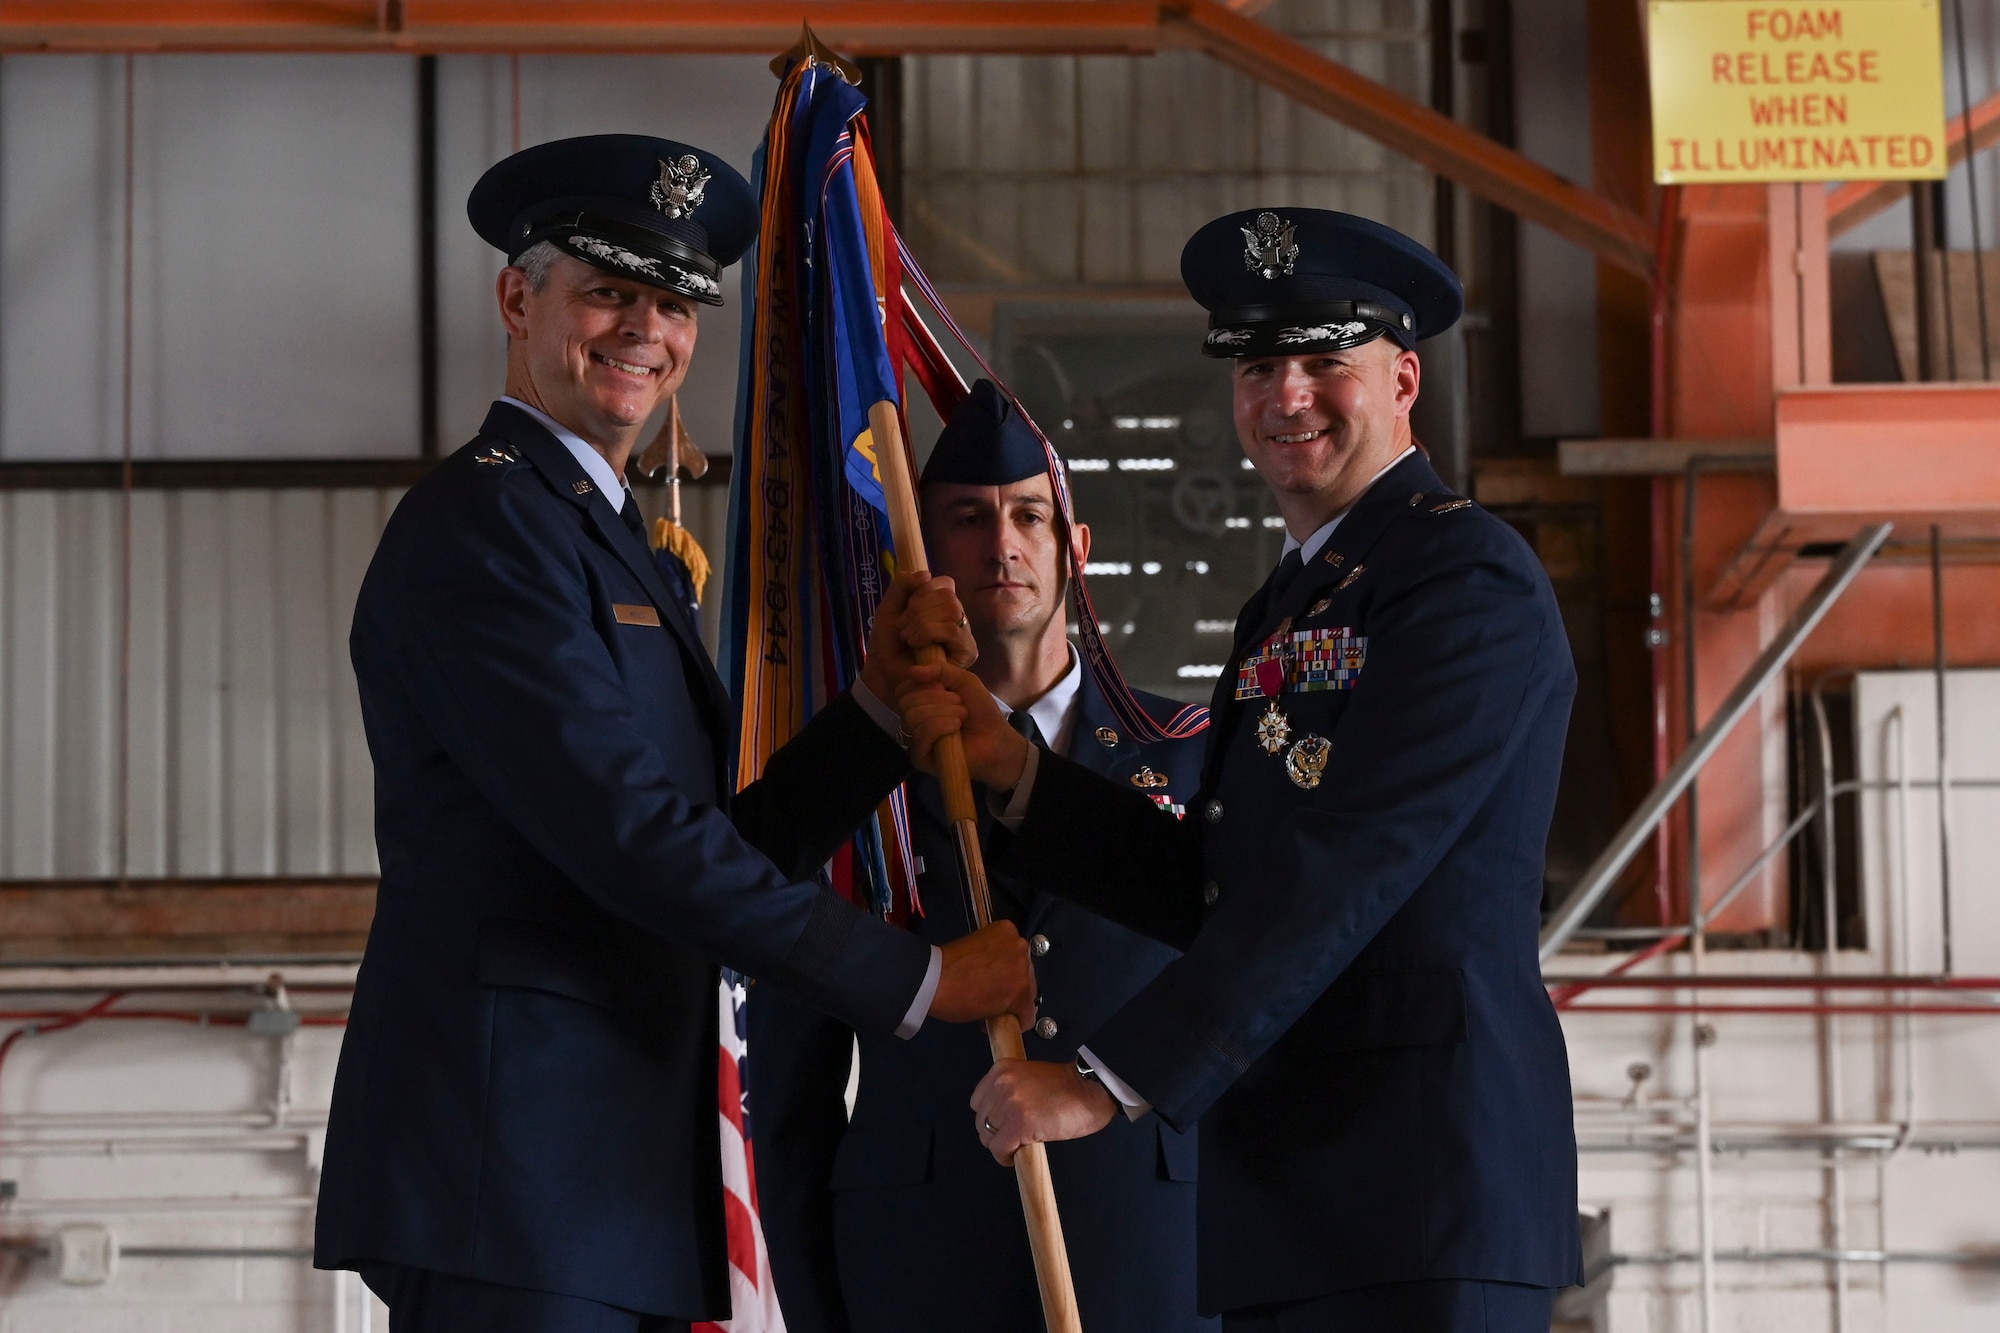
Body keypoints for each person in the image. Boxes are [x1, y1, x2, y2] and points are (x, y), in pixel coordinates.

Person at [313, 135, 1036, 1333]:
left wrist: (869, 716)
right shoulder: (483, 527)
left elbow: (710, 836)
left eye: (674, 302)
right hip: (518, 1172)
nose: (644, 329)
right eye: (606, 290)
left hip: (610, 1174)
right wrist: (916, 981)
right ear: (516, 297)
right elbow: (629, 838)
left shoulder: (609, 536)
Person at [901, 208, 1583, 1333]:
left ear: (1403, 377)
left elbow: (1347, 864)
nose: (1286, 395)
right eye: (1260, 364)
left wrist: (1107, 1078)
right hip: (1291, 1192)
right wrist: (1016, 774)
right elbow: (1219, 882)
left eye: (1326, 360)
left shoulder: (1465, 579)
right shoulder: (1293, 599)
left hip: (1418, 1189)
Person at [748, 381, 1218, 1333]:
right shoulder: (848, 773)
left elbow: (1258, 1003)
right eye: (965, 518)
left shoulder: (1192, 750)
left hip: (1160, 1257)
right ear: (920, 558)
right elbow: (789, 1101)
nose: (1001, 542)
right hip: (917, 1268)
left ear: (1075, 551)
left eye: (1029, 516)